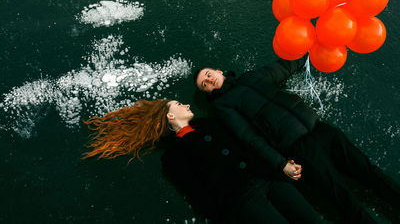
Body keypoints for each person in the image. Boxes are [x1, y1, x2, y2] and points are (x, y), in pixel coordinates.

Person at [194, 56, 400, 224]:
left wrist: (310, 48)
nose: (210, 80)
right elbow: (250, 138)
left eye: (209, 75)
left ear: (219, 71)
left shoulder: (252, 76)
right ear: (208, 92)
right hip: (299, 148)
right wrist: (281, 164)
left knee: (369, 171)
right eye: (205, 84)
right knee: (343, 197)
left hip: (321, 130)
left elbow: (283, 66)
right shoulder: (224, 106)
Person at [82, 99, 326, 224]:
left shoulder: (211, 123)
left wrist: (281, 165)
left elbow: (249, 145)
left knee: (315, 221)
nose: (186, 104)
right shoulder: (172, 158)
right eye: (179, 104)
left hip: (267, 179)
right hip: (242, 201)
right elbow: (199, 196)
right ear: (170, 116)